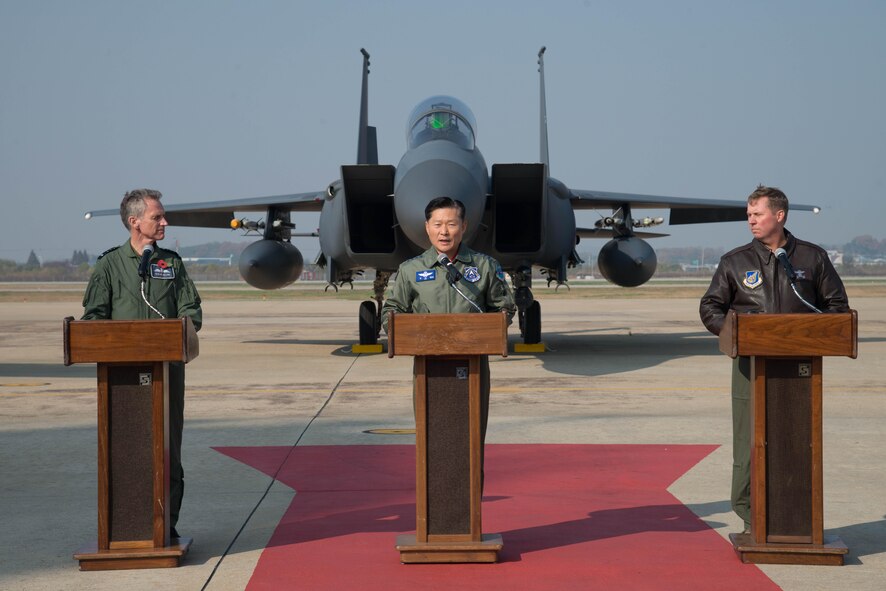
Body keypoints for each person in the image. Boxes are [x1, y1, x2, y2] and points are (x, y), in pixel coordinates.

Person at [699, 185, 849, 533]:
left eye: (757, 214)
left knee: (796, 444)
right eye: (749, 214)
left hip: (800, 370)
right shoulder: (735, 262)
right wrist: (736, 335)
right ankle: (753, 515)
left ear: (779, 216)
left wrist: (807, 335)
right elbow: (710, 307)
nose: (750, 220)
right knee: (749, 446)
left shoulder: (812, 259)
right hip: (750, 366)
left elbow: (837, 308)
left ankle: (792, 520)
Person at [82, 188, 202, 539]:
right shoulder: (108, 266)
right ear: (135, 222)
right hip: (121, 381)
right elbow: (93, 319)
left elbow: (191, 310)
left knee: (169, 452)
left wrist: (180, 328)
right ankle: (124, 530)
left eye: (163, 216)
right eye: (157, 217)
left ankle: (167, 527)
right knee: (124, 453)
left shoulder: (171, 264)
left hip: (167, 374)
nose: (164, 222)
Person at [381, 196, 515, 471]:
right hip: (428, 367)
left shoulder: (484, 266)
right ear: (427, 227)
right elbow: (392, 310)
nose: (445, 231)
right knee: (433, 437)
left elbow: (504, 308)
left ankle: (470, 506)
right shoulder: (410, 270)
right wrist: (398, 329)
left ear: (464, 226)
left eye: (451, 224)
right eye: (438, 224)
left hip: (474, 366)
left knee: (471, 438)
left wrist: (489, 327)